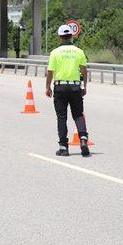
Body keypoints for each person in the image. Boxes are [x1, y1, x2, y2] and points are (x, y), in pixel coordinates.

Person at [45, 25, 90, 157]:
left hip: (60, 88)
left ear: (59, 37)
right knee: (78, 115)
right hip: (75, 87)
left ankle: (63, 147)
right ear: (72, 36)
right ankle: (83, 139)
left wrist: (47, 87)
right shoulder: (79, 51)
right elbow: (84, 70)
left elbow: (50, 72)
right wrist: (84, 86)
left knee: (62, 117)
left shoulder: (55, 53)